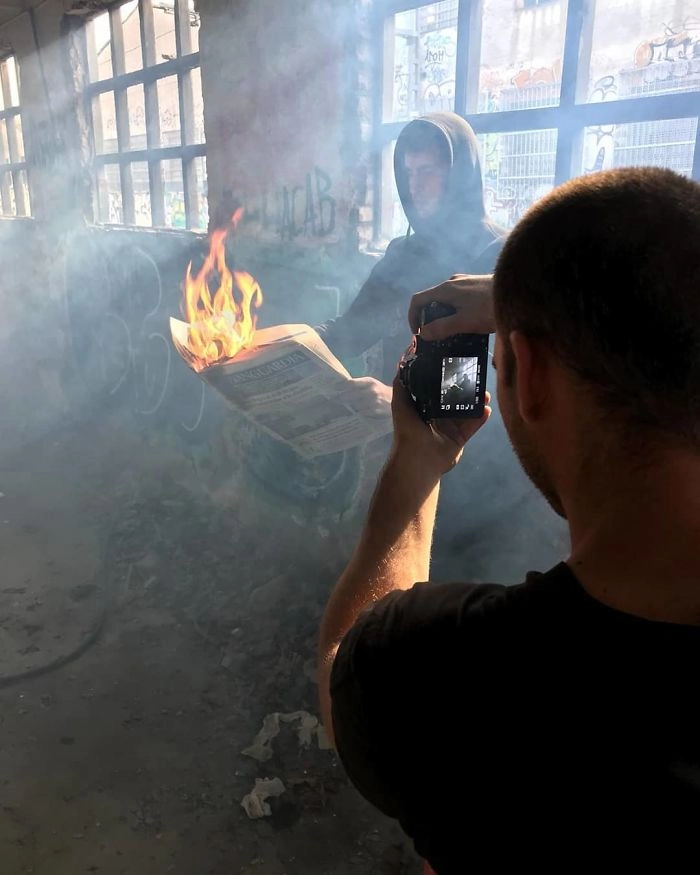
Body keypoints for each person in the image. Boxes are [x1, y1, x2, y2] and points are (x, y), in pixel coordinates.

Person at [318, 167, 700, 871]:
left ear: (532, 372)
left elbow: (343, 662)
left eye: (499, 360)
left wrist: (417, 461)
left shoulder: (455, 675)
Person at [322, 111, 567, 578]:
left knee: (457, 581)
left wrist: (397, 400)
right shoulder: (403, 253)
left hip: (481, 468)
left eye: (429, 170)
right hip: (414, 446)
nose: (416, 185)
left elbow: (469, 385)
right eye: (408, 172)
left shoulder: (499, 257)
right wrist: (278, 345)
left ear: (462, 174)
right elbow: (352, 327)